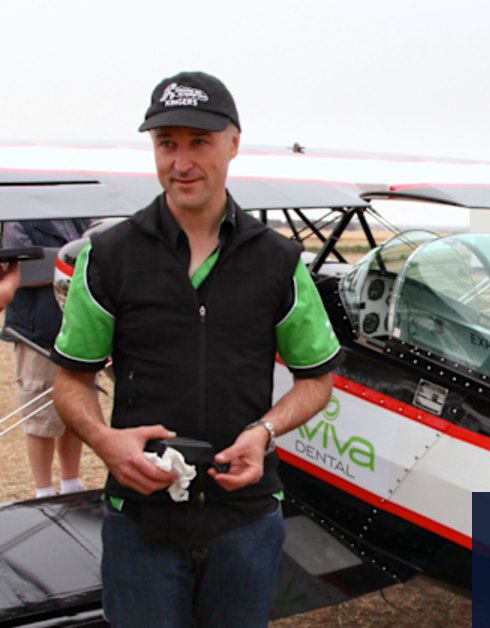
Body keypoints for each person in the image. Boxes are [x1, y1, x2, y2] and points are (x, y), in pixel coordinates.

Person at [52, 71, 341, 628]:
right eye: (167, 145)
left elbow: (316, 380)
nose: (181, 163)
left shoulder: (278, 261)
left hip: (246, 522)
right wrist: (105, 441)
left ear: (233, 143)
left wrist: (264, 432)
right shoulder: (109, 256)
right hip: (139, 523)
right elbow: (72, 379)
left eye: (198, 143)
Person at [3, 219, 91, 498]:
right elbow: (22, 269)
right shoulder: (18, 222)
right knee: (40, 417)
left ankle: (71, 483)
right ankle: (43, 489)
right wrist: (70, 264)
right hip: (37, 332)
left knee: (77, 412)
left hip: (79, 330)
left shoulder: (80, 217)